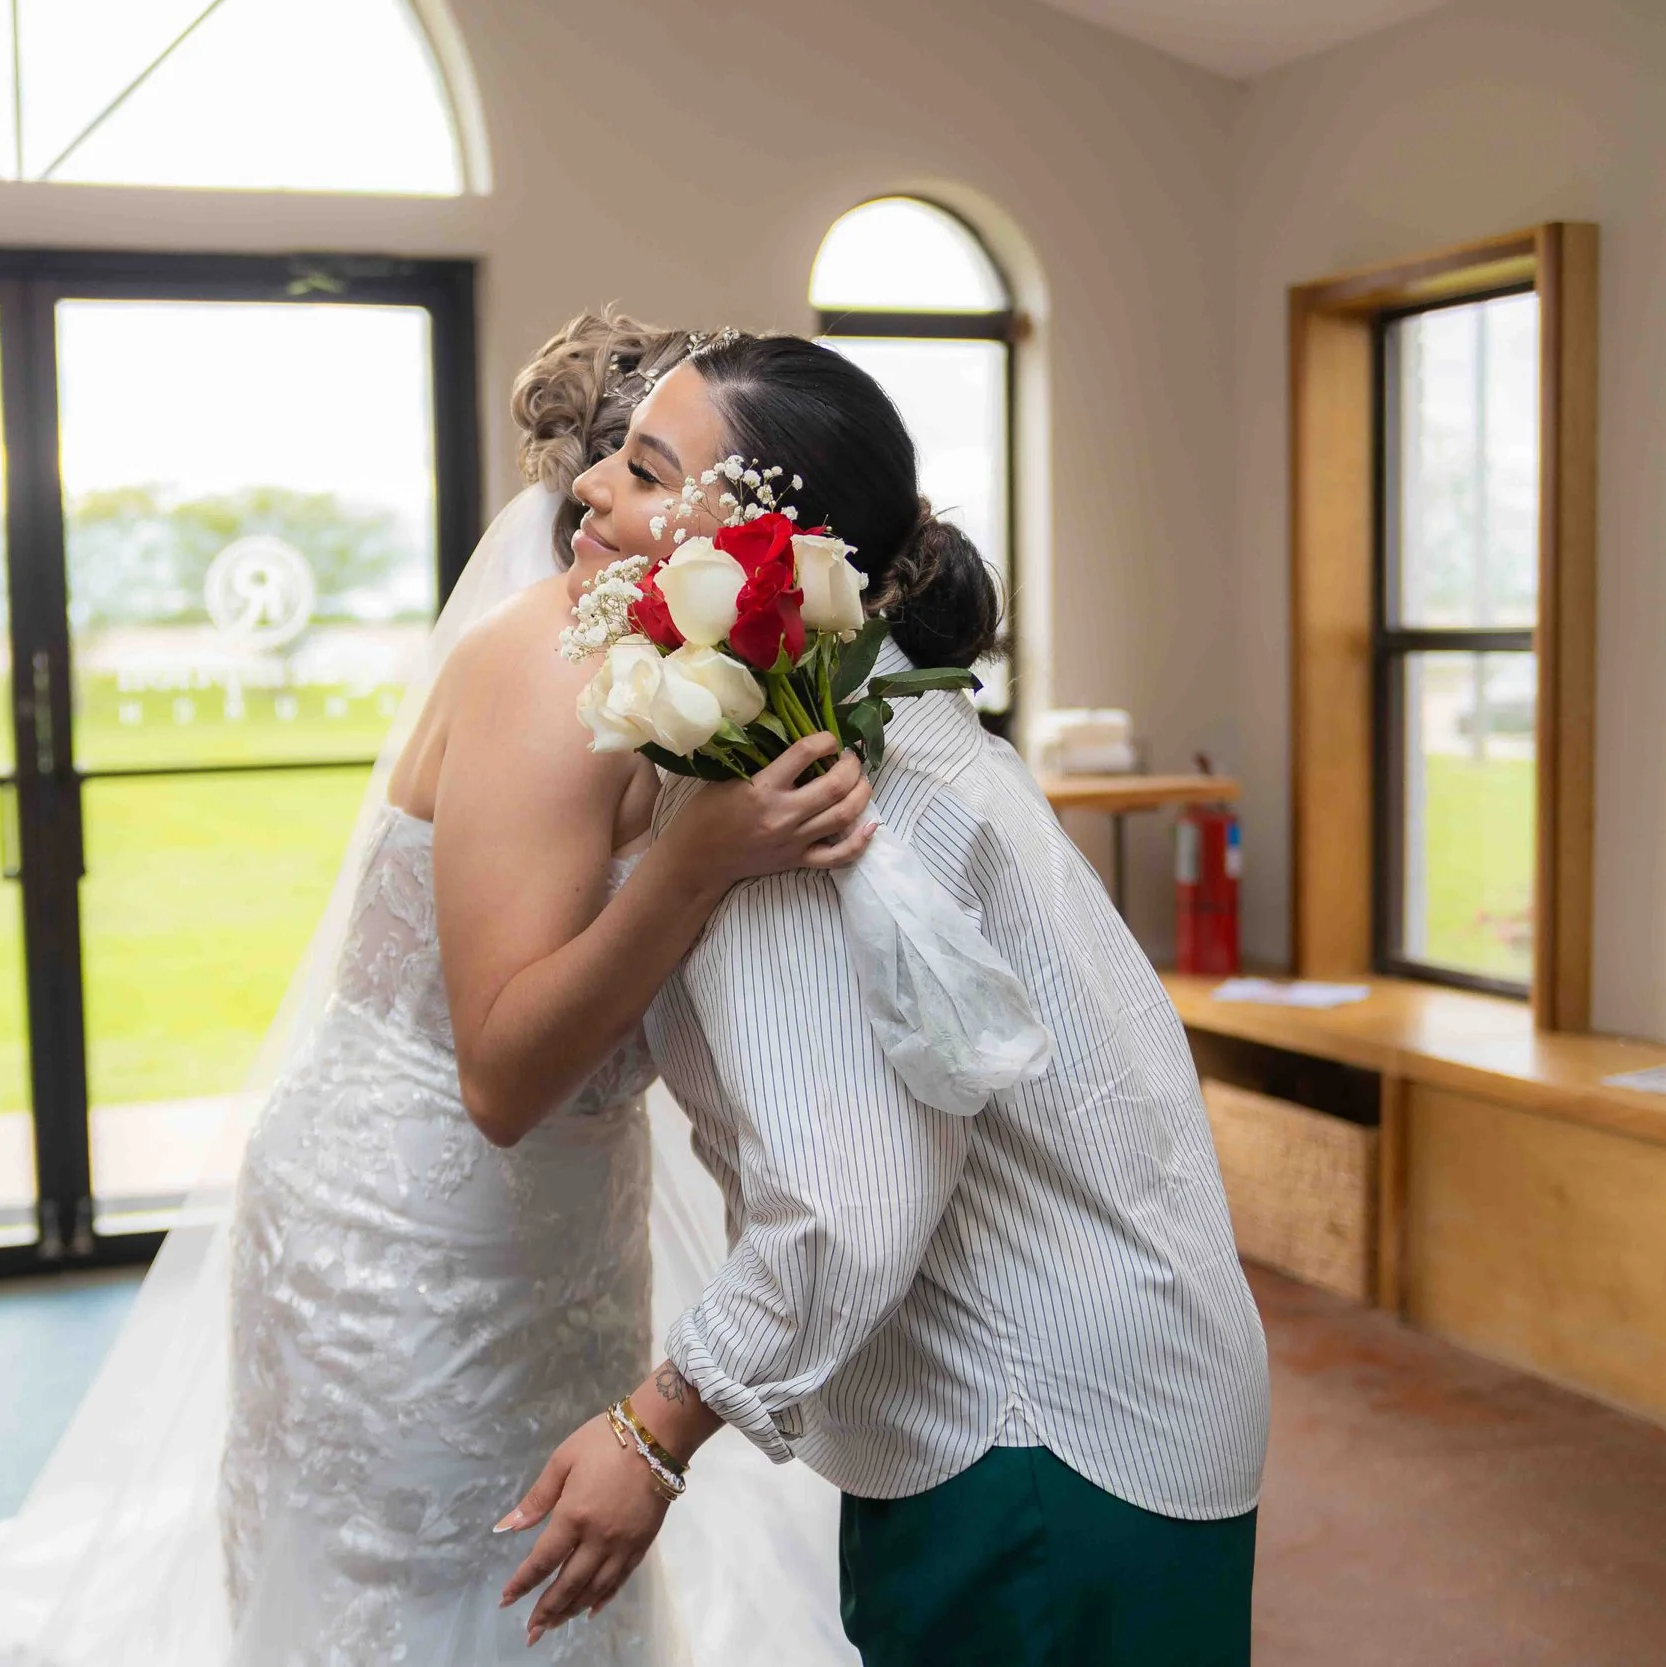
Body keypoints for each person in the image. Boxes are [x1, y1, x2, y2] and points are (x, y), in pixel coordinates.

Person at [0, 314, 864, 1667]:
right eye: (624, 464)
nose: (597, 498)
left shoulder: (712, 686)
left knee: (543, 1580)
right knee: (416, 1580)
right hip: (413, 1227)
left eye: (655, 472)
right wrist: (691, 869)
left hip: (566, 1222)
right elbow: (501, 1073)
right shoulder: (553, 665)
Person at [501, 335, 1272, 1666]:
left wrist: (654, 1430)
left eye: (643, 467)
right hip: (1123, 1397)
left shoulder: (797, 792)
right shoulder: (873, 723)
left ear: (756, 549)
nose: (591, 492)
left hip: (1034, 1436)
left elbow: (849, 1193)